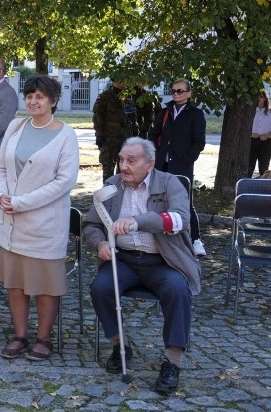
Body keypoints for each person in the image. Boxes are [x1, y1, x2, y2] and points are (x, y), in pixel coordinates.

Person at [83, 137, 200, 396]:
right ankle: (120, 345)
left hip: (163, 261)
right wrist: (100, 243)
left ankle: (172, 361)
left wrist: (138, 221)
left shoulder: (171, 184)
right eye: (121, 160)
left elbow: (180, 219)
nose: (124, 166)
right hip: (123, 259)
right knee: (100, 288)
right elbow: (90, 225)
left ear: (150, 163)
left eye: (131, 161)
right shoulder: (112, 186)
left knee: (178, 290)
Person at [0, 74, 79, 361]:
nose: (33, 101)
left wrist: (21, 202)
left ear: (53, 101)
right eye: (29, 96)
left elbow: (64, 182)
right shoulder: (16, 127)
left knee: (44, 285)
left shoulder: (65, 135)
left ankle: (43, 338)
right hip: (11, 222)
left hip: (44, 224)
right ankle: (19, 335)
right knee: (15, 283)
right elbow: (0, 168)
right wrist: (1, 196)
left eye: (40, 96)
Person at [148, 78, 206, 257]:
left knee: (185, 202)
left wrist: (187, 159)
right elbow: (154, 133)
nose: (175, 94)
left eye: (180, 91)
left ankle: (196, 240)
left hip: (182, 164)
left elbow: (199, 142)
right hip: (162, 163)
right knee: (157, 199)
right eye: (173, 91)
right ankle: (158, 236)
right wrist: (157, 153)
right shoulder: (166, 111)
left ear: (188, 93)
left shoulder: (195, 114)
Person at [93, 80, 129, 182]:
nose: (125, 83)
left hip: (124, 137)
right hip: (109, 137)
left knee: (123, 166)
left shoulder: (126, 96)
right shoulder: (105, 96)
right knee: (108, 167)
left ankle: (121, 192)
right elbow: (98, 117)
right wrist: (99, 135)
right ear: (115, 81)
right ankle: (108, 193)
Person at [249, 90, 271, 177]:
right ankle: (247, 185)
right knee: (249, 166)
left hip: (266, 143)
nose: (258, 98)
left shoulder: (270, 113)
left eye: (261, 96)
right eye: (257, 96)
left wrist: (267, 135)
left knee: (264, 167)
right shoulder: (250, 112)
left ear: (265, 98)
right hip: (252, 141)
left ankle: (263, 186)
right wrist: (251, 134)